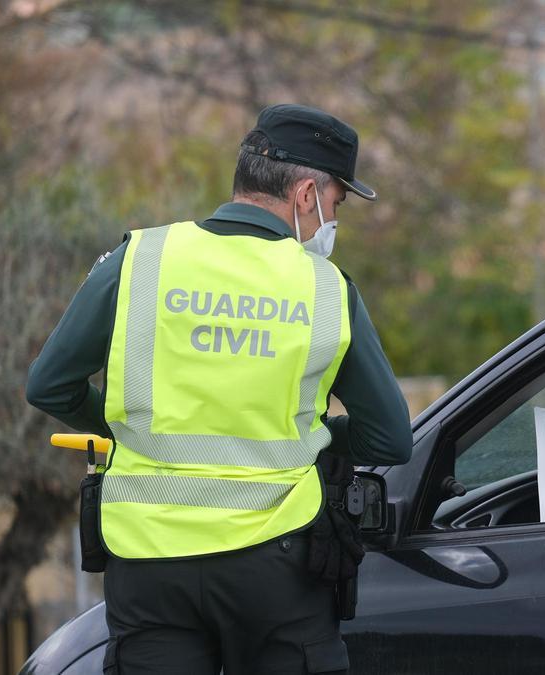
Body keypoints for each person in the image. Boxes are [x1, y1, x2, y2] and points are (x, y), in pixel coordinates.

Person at [25, 104, 413, 674]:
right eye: (338, 202)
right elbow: (390, 440)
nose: (335, 218)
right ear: (306, 194)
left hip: (148, 563)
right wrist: (316, 436)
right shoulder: (325, 289)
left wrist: (125, 426)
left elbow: (49, 386)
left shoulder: (139, 260)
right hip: (278, 564)